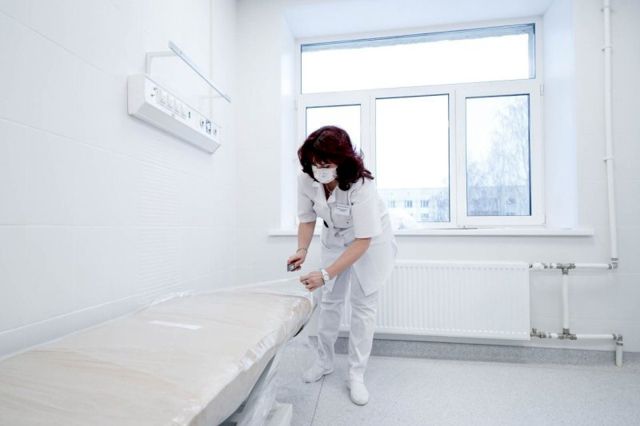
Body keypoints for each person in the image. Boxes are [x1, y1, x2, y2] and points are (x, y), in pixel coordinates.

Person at [287, 125, 397, 406]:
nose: (320, 170)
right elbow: (307, 219)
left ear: (342, 160)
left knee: (363, 307)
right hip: (335, 237)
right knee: (329, 301)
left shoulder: (361, 185)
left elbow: (363, 241)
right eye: (316, 163)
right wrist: (301, 250)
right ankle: (324, 361)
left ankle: (356, 374)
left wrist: (325, 274)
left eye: (327, 164)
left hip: (370, 242)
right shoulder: (306, 180)